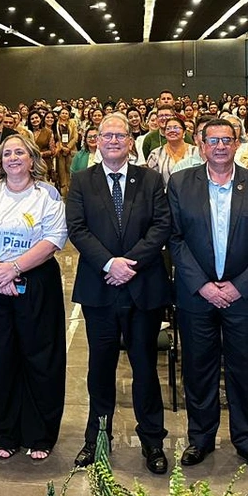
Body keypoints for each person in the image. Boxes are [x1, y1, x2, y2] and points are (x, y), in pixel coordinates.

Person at [168, 116, 248, 475]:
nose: (219, 146)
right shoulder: (181, 183)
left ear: (237, 144)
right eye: (212, 140)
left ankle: (247, 441)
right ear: (201, 145)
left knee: (244, 371)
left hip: (244, 297)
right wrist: (202, 285)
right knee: (198, 371)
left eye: (226, 140)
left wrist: (237, 286)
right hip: (195, 295)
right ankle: (200, 438)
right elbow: (174, 239)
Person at [67, 112, 172, 474]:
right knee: (100, 368)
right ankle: (96, 439)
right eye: (106, 135)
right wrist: (110, 264)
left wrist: (130, 263)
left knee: (144, 367)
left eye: (120, 135)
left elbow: (161, 226)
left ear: (131, 141)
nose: (113, 140)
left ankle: (153, 441)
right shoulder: (82, 181)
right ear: (95, 140)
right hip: (100, 288)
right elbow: (77, 230)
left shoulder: (151, 180)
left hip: (143, 287)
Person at [0, 133, 68, 460]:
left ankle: (41, 435)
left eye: (19, 152)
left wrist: (15, 268)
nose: (12, 158)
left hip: (36, 282)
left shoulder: (46, 194)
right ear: (0, 161)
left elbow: (54, 238)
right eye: (7, 153)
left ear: (32, 158)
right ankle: (6, 434)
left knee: (40, 358)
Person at [146, 115, 198, 186]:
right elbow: (150, 181)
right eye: (168, 128)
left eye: (176, 128)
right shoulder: (155, 154)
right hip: (165, 195)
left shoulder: (196, 152)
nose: (172, 131)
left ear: (184, 132)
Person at [52, 108, 78, 195]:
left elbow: (75, 136)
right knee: (61, 171)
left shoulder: (72, 123)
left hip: (71, 150)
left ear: (69, 115)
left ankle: (72, 189)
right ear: (59, 114)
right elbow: (55, 137)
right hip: (60, 150)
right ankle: (63, 191)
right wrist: (62, 147)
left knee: (70, 169)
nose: (64, 115)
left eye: (66, 113)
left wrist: (68, 147)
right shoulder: (55, 124)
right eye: (62, 113)